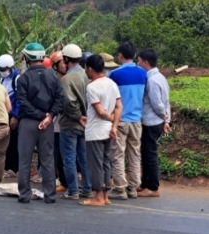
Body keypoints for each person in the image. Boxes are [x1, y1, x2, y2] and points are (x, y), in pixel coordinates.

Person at [16, 42, 65, 203]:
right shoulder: (53, 76)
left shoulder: (23, 78)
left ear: (27, 58)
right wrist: (49, 116)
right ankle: (50, 195)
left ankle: (24, 194)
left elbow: (23, 102)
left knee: (25, 159)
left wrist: (40, 115)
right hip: (47, 124)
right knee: (48, 159)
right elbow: (60, 99)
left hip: (28, 123)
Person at [81, 54, 122, 207]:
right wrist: (115, 126)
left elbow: (100, 111)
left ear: (90, 69)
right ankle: (105, 195)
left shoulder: (92, 87)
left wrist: (110, 119)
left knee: (96, 164)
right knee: (106, 162)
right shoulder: (112, 83)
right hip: (109, 131)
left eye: (86, 68)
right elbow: (119, 107)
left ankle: (98, 196)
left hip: (95, 131)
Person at [108, 41, 147, 200]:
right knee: (134, 154)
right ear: (135, 55)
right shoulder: (143, 73)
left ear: (120, 56)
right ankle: (133, 187)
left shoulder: (115, 74)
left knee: (118, 154)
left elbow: (112, 100)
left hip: (121, 120)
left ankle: (120, 188)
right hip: (137, 120)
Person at [58, 44, 93, 200]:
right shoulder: (87, 76)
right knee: (84, 158)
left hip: (70, 124)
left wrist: (78, 116)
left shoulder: (66, 79)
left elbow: (68, 103)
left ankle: (73, 191)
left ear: (66, 58)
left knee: (69, 159)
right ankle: (88, 188)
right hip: (86, 123)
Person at [136, 48, 171, 197]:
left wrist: (164, 118)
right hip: (156, 121)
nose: (137, 64)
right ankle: (145, 184)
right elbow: (166, 101)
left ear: (145, 62)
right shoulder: (161, 77)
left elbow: (157, 104)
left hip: (151, 122)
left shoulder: (151, 80)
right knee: (146, 153)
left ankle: (153, 187)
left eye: (138, 61)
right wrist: (166, 120)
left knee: (150, 155)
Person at [0, 54, 20, 177]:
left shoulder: (17, 79)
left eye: (3, 69)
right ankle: (7, 167)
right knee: (6, 142)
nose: (2, 72)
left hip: (13, 115)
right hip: (4, 114)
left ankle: (13, 168)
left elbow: (20, 99)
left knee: (14, 142)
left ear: (11, 67)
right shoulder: (2, 79)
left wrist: (15, 116)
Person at [49, 50, 68, 192]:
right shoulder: (53, 80)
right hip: (56, 123)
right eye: (62, 62)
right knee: (59, 154)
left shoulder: (70, 78)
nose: (65, 65)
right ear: (55, 65)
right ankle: (63, 180)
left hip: (69, 121)